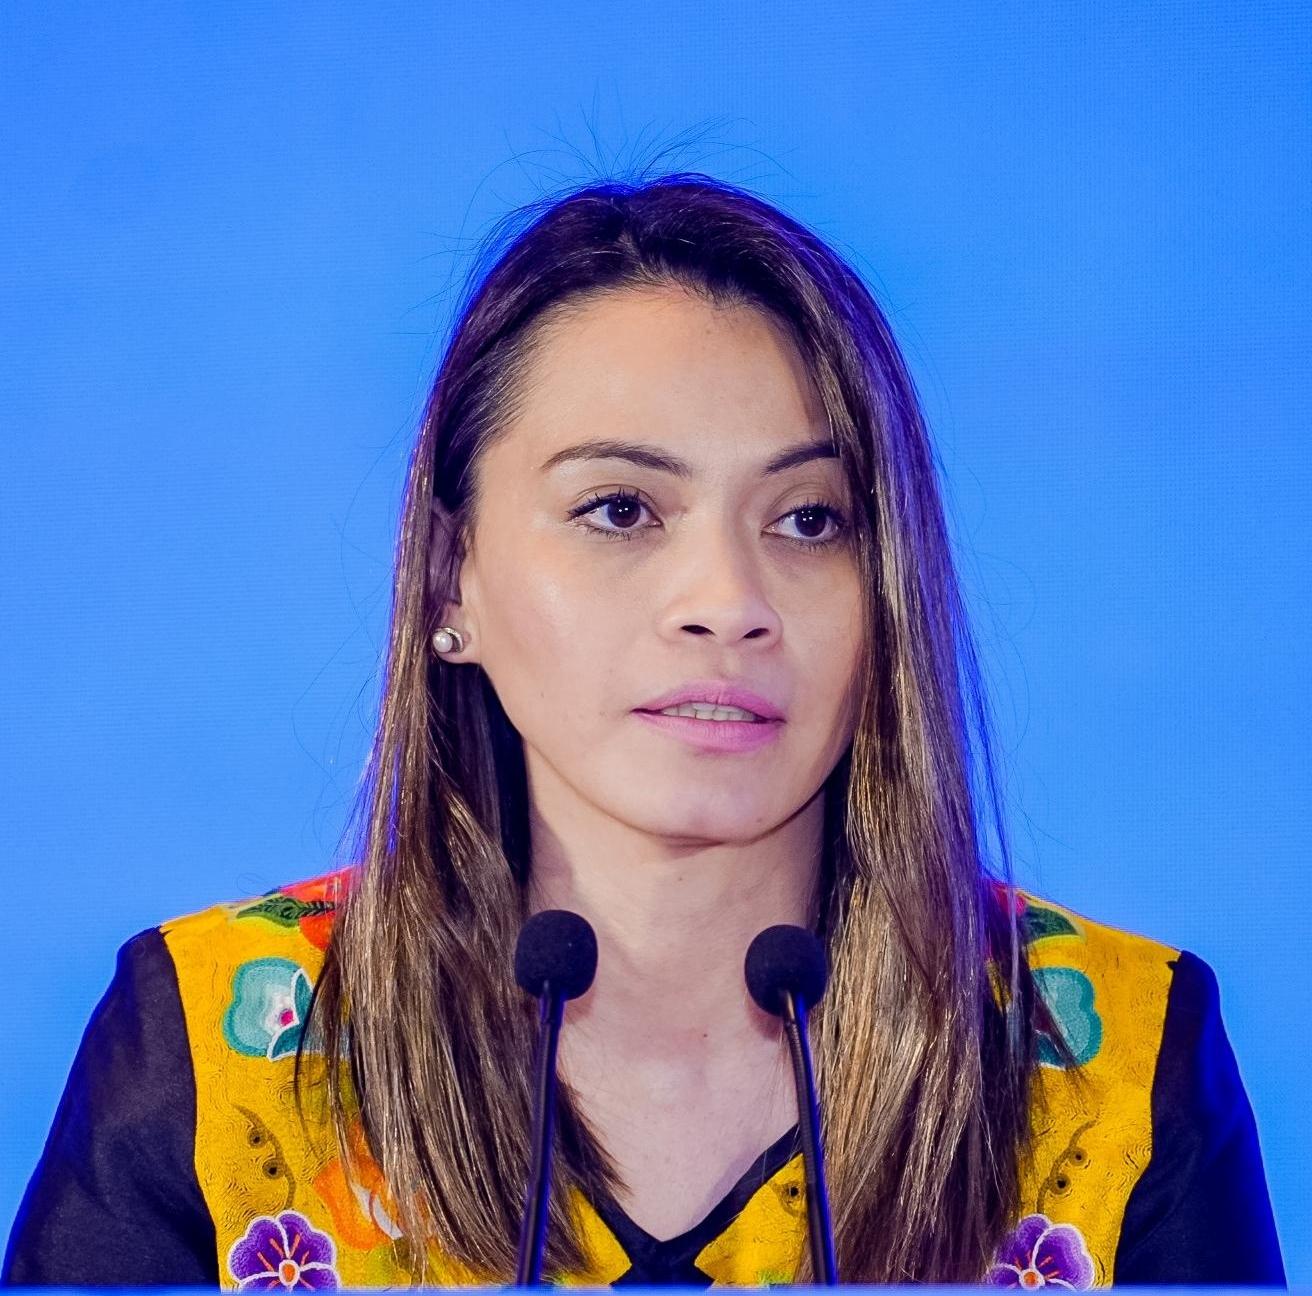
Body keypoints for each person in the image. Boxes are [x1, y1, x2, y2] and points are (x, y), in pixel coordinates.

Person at [2, 173, 1286, 1289]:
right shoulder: (214, 1048)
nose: (726, 602)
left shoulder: (1114, 1060)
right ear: (451, 580)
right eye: (620, 510)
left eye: (808, 520)